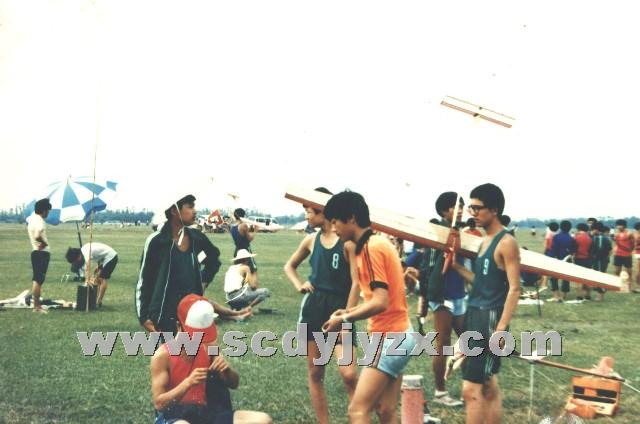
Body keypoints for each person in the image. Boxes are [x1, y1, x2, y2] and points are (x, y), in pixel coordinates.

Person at [322, 191, 416, 424]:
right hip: (399, 333)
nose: (334, 228)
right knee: (386, 410)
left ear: (351, 218)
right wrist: (348, 312)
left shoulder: (370, 249)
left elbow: (380, 301)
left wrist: (344, 320)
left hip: (390, 337)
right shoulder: (377, 243)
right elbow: (379, 299)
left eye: (335, 222)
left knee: (357, 411)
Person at [283, 187, 359, 424]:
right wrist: (299, 284)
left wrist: (346, 318)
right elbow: (289, 266)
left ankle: (359, 418)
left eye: (308, 211)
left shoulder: (346, 242)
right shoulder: (310, 240)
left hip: (340, 309)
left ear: (322, 211)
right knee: (316, 372)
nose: (306, 216)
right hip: (314, 308)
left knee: (349, 373)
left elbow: (357, 283)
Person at [450, 183, 521, 424]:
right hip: (475, 313)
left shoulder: (506, 242)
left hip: (490, 318)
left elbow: (515, 289)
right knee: (487, 384)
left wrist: (501, 329)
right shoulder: (484, 241)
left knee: (471, 389)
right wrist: (456, 266)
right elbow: (480, 281)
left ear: (494, 209)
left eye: (477, 208)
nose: (473, 213)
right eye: (471, 208)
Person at [136, 194, 248, 335]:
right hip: (164, 313)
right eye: (190, 207)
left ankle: (234, 315)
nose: (195, 211)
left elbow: (213, 258)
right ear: (174, 210)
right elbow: (145, 280)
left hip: (191, 309)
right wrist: (143, 317)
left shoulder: (196, 237)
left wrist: (203, 281)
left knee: (197, 347)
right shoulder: (157, 241)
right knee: (170, 348)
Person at [151, 294, 272, 424]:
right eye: (193, 335)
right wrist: (187, 383)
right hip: (174, 415)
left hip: (207, 413)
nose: (198, 340)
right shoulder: (163, 355)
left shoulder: (209, 346)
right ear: (178, 326)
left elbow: (234, 384)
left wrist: (227, 370)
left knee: (263, 420)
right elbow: (159, 404)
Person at [424, 192, 466, 407]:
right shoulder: (437, 233)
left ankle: (471, 387)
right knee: (443, 344)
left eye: (462, 206)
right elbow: (428, 267)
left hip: (458, 293)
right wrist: (428, 299)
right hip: (442, 295)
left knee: (470, 339)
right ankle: (440, 392)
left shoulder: (461, 232)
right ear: (443, 211)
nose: (460, 210)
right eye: (455, 207)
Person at [65, 242, 118, 307]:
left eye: (76, 261)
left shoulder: (85, 252)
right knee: (97, 279)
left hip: (111, 257)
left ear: (79, 256)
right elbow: (99, 254)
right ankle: (95, 300)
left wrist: (87, 279)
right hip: (104, 259)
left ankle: (99, 301)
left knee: (102, 278)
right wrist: (98, 266)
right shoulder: (83, 251)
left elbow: (87, 268)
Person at [26, 198, 52, 313]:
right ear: (44, 210)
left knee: (37, 279)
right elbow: (37, 236)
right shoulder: (40, 221)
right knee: (38, 280)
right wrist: (44, 243)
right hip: (41, 253)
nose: (48, 213)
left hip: (36, 252)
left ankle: (36, 304)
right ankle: (36, 306)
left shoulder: (32, 218)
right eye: (48, 210)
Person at [548, 221, 576, 302]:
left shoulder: (556, 237)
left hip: (557, 259)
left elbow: (553, 248)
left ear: (560, 227)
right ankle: (564, 296)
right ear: (570, 228)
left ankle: (556, 295)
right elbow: (573, 251)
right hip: (567, 259)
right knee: (566, 278)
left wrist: (551, 257)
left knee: (553, 278)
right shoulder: (571, 238)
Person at [230, 208, 258, 279]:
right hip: (245, 251)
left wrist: (251, 229)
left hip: (237, 251)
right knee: (252, 271)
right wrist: (255, 230)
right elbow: (249, 239)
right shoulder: (243, 225)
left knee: (240, 272)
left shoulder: (233, 227)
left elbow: (242, 236)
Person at [590, 221, 612, 301]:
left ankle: (600, 296)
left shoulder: (599, 238)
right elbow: (610, 250)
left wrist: (594, 256)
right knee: (601, 275)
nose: (592, 231)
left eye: (592, 229)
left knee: (600, 277)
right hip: (603, 260)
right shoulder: (605, 237)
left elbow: (599, 250)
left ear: (596, 229)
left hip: (599, 260)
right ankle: (601, 293)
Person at [613, 219, 635, 292]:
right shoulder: (616, 234)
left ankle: (629, 287)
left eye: (620, 225)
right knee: (617, 271)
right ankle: (617, 286)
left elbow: (633, 244)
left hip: (627, 255)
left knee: (629, 272)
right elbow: (616, 243)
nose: (618, 227)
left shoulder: (629, 234)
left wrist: (629, 251)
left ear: (624, 226)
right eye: (617, 225)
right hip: (618, 254)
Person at [573, 223, 593, 300]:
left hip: (578, 259)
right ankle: (588, 295)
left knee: (578, 279)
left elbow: (574, 250)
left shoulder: (576, 238)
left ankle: (579, 296)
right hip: (588, 259)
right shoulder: (590, 238)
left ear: (578, 229)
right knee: (587, 278)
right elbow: (591, 250)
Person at [634, 222, 640, 293]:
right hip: (638, 254)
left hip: (638, 253)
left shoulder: (635, 234)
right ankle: (638, 286)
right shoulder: (636, 235)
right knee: (639, 271)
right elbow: (635, 247)